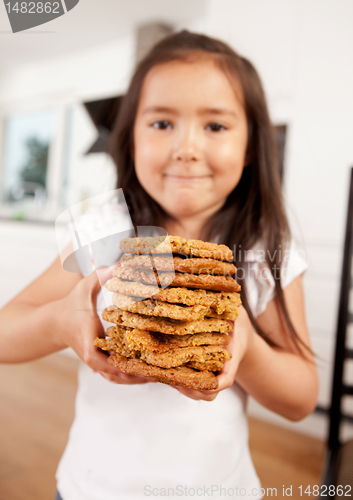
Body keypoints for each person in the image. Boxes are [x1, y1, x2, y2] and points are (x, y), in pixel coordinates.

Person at [0, 30, 318, 500]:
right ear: (129, 139)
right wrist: (57, 322)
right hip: (91, 488)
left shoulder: (263, 248)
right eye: (162, 123)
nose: (185, 148)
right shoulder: (101, 228)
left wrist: (246, 348)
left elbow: (301, 398)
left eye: (215, 126)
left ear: (251, 146)